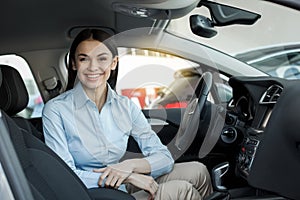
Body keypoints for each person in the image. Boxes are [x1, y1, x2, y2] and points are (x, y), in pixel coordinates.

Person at [42, 28, 213, 200]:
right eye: (83, 59)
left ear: (114, 63)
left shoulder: (125, 106)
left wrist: (129, 166)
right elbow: (64, 174)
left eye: (102, 58)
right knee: (181, 190)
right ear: (73, 64)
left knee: (198, 171)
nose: (93, 67)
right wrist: (127, 176)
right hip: (90, 192)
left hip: (119, 185)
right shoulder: (56, 109)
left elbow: (164, 157)